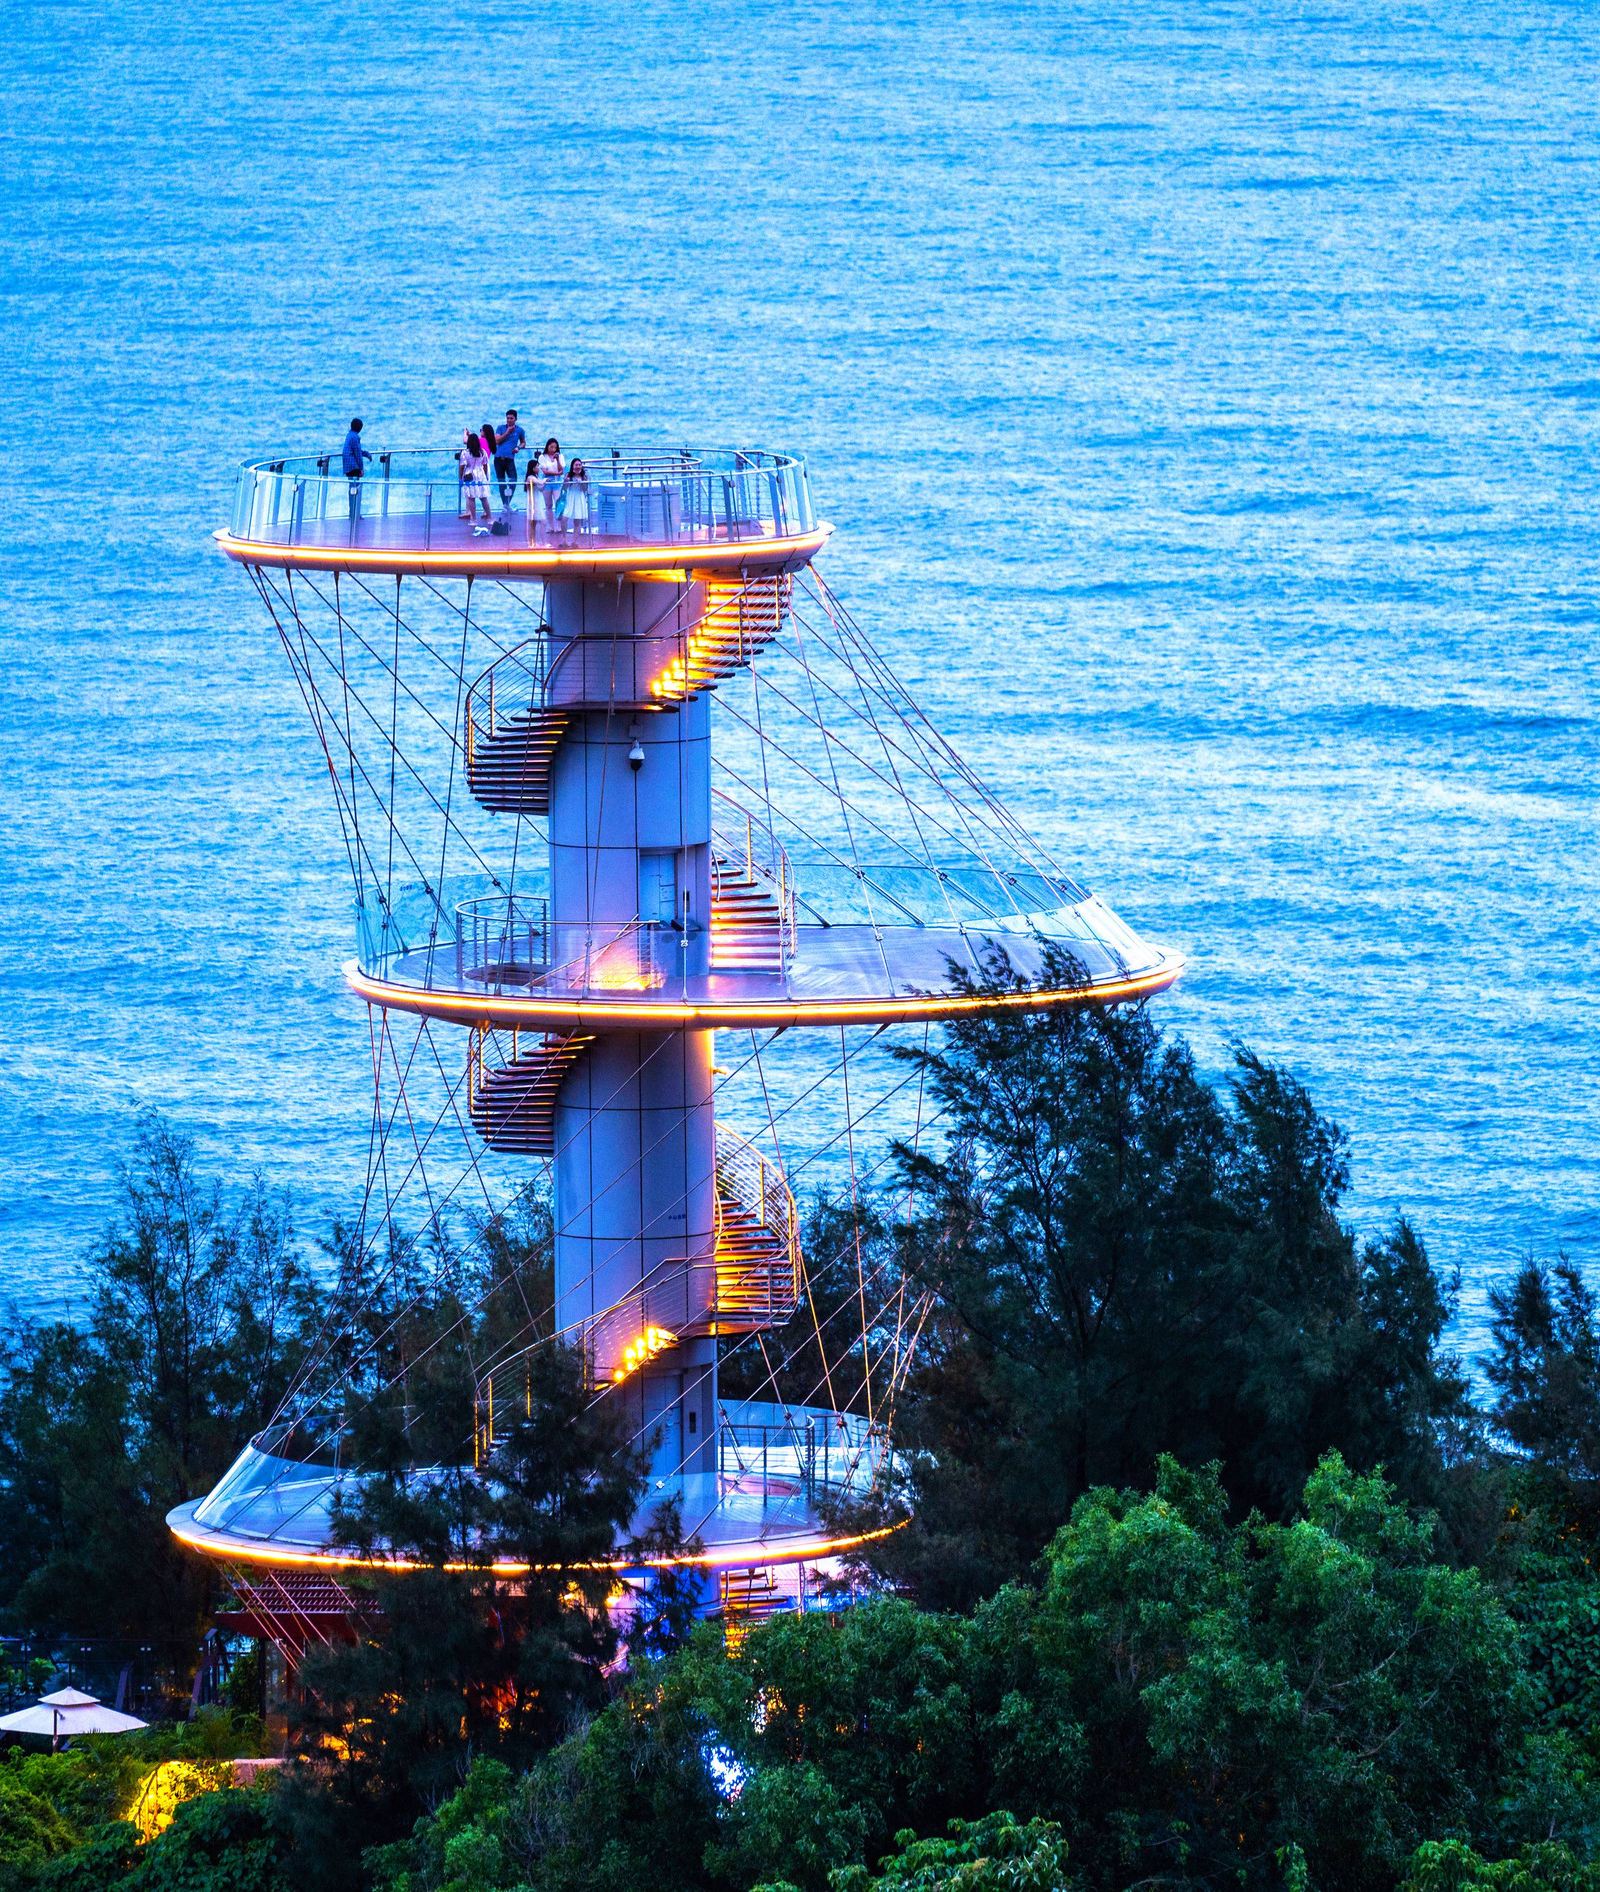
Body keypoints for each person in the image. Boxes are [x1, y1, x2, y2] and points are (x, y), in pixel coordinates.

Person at [457, 429, 493, 534]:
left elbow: (462, 467)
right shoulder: (482, 452)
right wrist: (485, 476)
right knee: (483, 497)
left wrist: (460, 479)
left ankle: (473, 520)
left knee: (471, 497)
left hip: (469, 475)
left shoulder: (465, 453)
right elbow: (485, 465)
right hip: (480, 474)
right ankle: (490, 517)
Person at [529, 437, 564, 543]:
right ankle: (550, 525)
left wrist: (557, 460)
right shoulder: (542, 457)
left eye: (555, 447)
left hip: (557, 482)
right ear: (547, 446)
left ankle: (558, 525)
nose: (553, 449)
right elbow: (544, 471)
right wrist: (556, 473)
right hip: (547, 482)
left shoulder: (560, 456)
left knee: (558, 504)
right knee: (548, 505)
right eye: (551, 446)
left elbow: (561, 469)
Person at [493, 408, 526, 508]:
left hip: (510, 459)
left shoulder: (520, 430)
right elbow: (497, 441)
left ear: (515, 419)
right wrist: (507, 432)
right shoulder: (501, 428)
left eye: (511, 418)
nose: (509, 420)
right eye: (507, 418)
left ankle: (507, 503)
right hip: (499, 458)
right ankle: (505, 505)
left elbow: (523, 443)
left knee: (513, 480)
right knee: (501, 482)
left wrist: (518, 447)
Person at [559, 457, 590, 540]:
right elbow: (564, 489)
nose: (578, 466)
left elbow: (585, 489)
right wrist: (566, 481)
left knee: (577, 521)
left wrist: (582, 483)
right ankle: (564, 539)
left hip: (579, 498)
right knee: (564, 518)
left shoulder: (584, 476)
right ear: (572, 466)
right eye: (576, 465)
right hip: (570, 497)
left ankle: (574, 542)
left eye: (580, 465)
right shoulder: (568, 475)